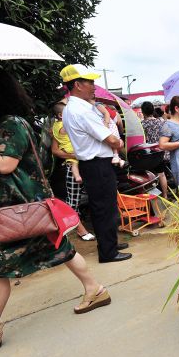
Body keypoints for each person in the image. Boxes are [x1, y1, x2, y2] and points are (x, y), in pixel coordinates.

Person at [0, 66, 111, 357]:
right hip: (27, 208)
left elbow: (5, 166)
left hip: (18, 211)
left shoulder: (11, 124)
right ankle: (95, 289)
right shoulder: (9, 122)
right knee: (60, 248)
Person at [60, 64, 132, 263]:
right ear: (77, 85)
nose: (93, 86)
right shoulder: (80, 110)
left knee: (106, 206)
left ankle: (110, 244)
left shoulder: (74, 108)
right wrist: (118, 142)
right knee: (104, 208)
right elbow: (109, 139)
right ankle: (108, 252)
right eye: (89, 82)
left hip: (95, 163)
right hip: (96, 163)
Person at [50, 101, 95, 241]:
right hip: (72, 165)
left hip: (86, 164)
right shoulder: (64, 127)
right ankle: (79, 229)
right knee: (73, 200)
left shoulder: (64, 126)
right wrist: (74, 155)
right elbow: (55, 150)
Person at [141, 101, 169, 198]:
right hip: (162, 151)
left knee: (150, 175)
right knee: (162, 174)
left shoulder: (142, 124)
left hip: (150, 153)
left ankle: (153, 197)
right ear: (153, 110)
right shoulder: (161, 122)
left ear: (143, 112)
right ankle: (165, 195)